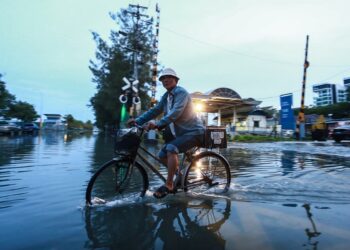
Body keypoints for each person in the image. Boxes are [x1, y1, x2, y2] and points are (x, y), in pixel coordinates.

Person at [128, 68, 205, 199]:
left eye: (169, 77)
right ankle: (179, 177)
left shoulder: (181, 93)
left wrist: (158, 124)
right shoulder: (166, 97)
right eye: (163, 78)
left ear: (175, 80)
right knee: (162, 154)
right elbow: (155, 111)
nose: (165, 80)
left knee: (171, 148)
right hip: (182, 135)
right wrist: (138, 121)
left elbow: (175, 113)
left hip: (195, 132)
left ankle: (169, 184)